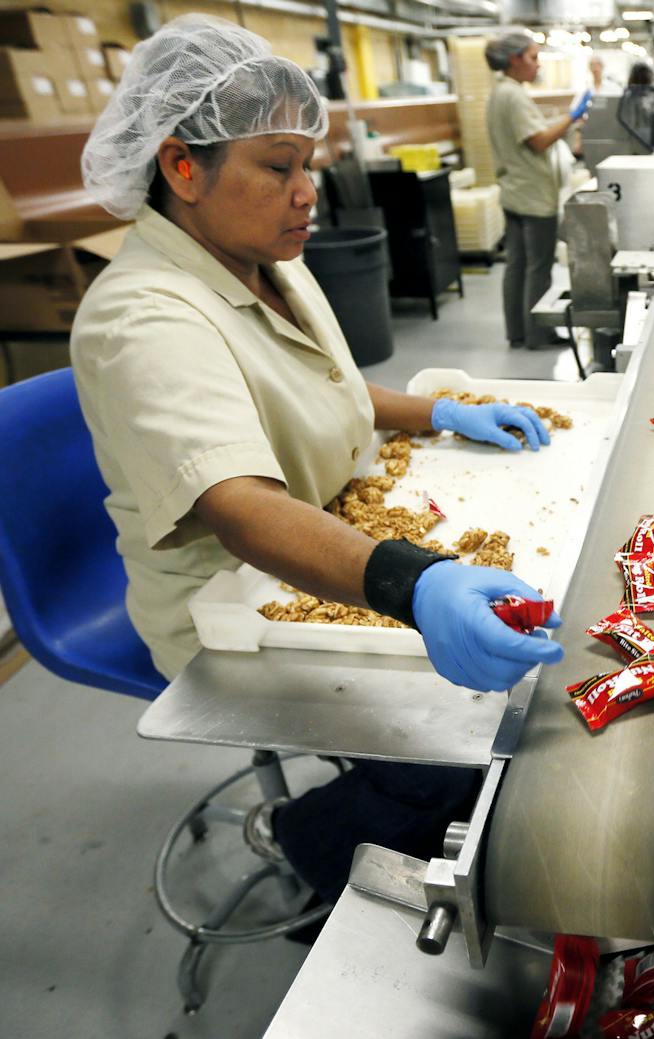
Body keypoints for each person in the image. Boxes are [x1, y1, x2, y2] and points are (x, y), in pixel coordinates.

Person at [72, 15, 565, 911]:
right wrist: (417, 583)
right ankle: (302, 839)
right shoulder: (145, 317)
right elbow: (241, 507)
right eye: (277, 166)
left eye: (311, 165)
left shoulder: (260, 261)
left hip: (328, 537)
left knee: (500, 716)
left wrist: (444, 410)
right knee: (459, 749)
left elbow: (328, 388)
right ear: (183, 166)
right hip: (231, 606)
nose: (309, 193)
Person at [484, 32, 592, 349]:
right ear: (514, 59)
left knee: (516, 265)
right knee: (538, 267)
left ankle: (517, 332)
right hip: (532, 197)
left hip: (514, 192)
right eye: (532, 57)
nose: (537, 64)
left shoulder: (500, 92)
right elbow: (539, 140)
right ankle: (538, 335)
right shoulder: (513, 95)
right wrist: (573, 117)